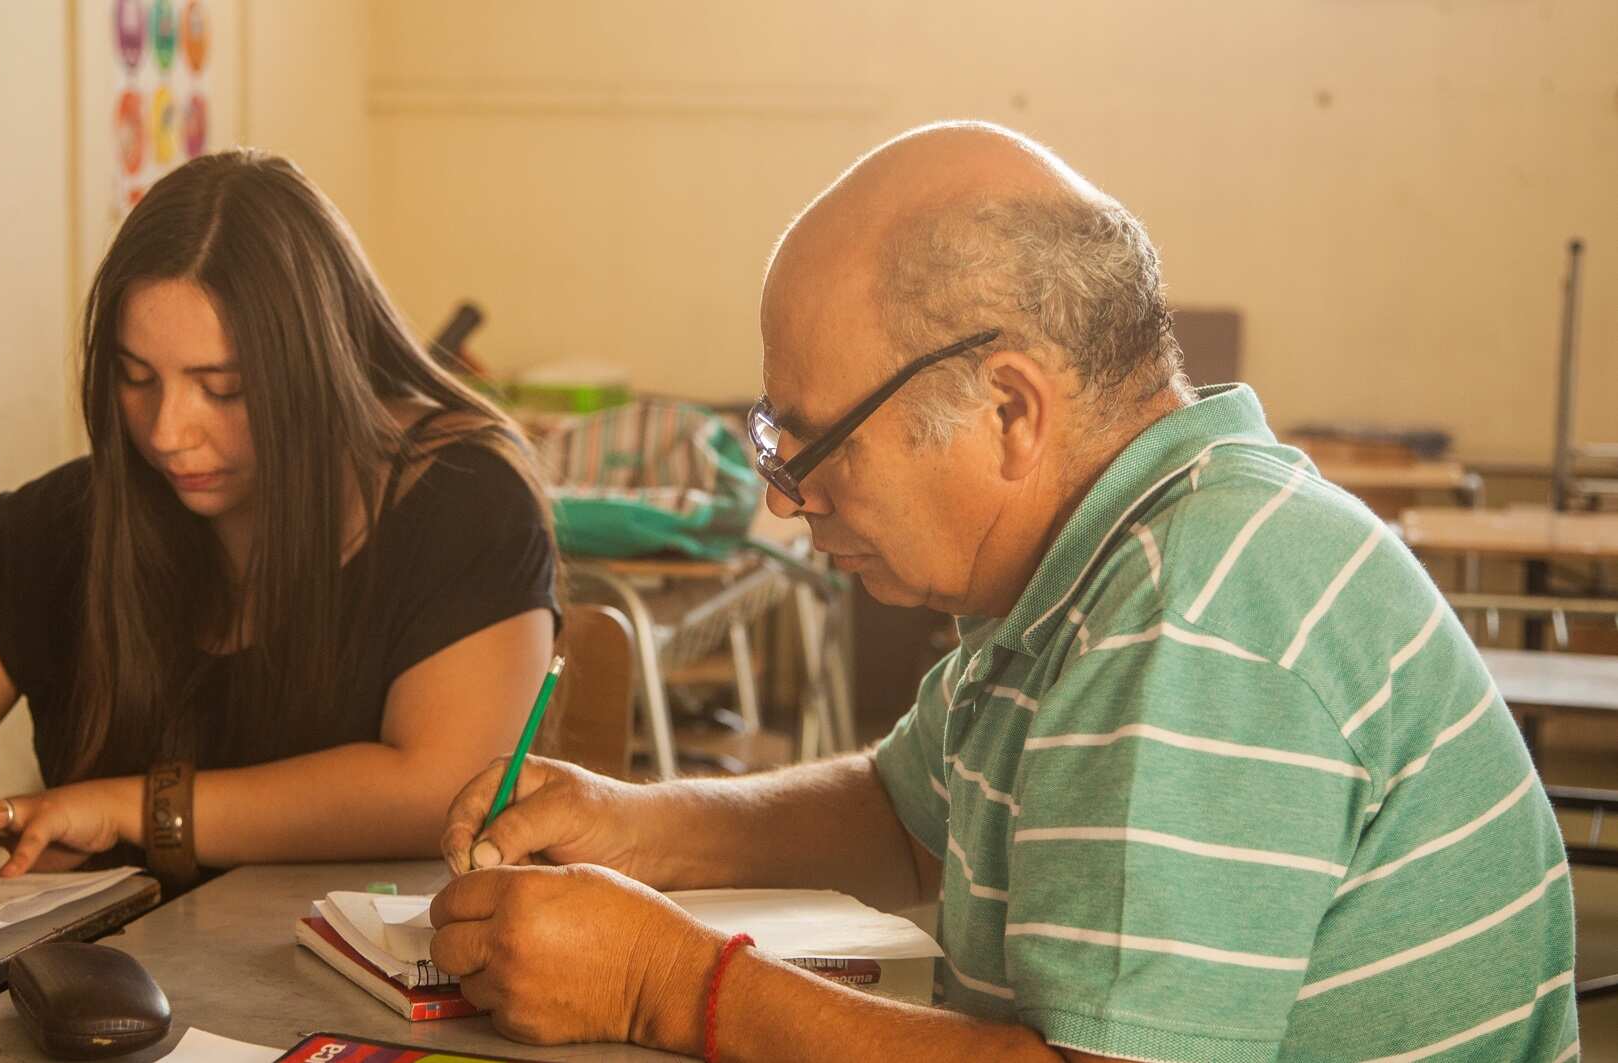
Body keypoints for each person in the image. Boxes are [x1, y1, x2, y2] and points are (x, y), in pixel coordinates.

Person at [423, 123, 1577, 1061]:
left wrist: (661, 982)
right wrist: (635, 829)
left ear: (1010, 411)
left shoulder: (1195, 613)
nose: (784, 498)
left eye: (815, 443)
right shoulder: (1097, 560)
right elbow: (909, 820)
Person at [0, 149, 558, 892]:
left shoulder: (463, 496)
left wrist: (132, 808)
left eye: (224, 387)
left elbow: (442, 789)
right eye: (136, 377)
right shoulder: (68, 524)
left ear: (319, 370)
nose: (168, 432)